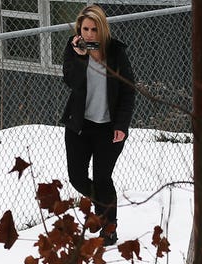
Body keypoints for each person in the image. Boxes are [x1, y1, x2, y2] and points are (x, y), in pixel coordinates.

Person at [61, 5, 135, 246]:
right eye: (85, 29)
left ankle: (109, 229)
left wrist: (121, 125)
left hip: (109, 127)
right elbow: (71, 81)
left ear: (101, 29)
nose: (90, 34)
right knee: (77, 178)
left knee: (103, 178)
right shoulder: (73, 49)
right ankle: (102, 211)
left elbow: (127, 90)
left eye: (94, 29)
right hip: (80, 126)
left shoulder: (115, 52)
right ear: (79, 29)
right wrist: (81, 58)